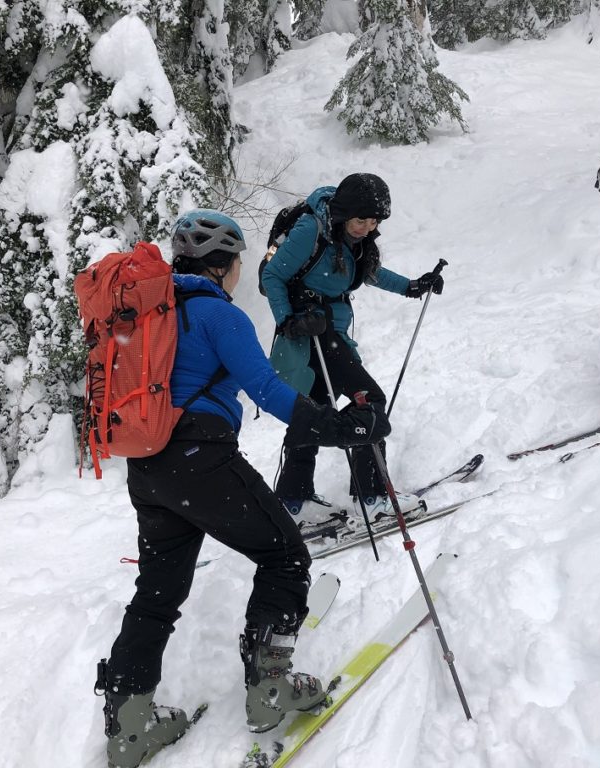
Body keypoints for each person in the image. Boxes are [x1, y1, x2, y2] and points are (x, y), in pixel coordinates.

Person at [95, 210, 391, 768]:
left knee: (157, 595)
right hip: (200, 457)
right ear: (227, 266)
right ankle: (270, 688)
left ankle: (129, 726)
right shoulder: (216, 314)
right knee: (284, 557)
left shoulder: (147, 314)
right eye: (238, 263)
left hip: (148, 469)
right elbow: (265, 388)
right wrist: (339, 426)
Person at [261, 173, 445, 532]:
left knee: (311, 415)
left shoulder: (352, 239)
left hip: (328, 333)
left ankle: (293, 502)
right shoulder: (311, 230)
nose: (366, 227)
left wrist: (411, 286)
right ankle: (372, 499)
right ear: (344, 212)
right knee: (369, 401)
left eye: (374, 221)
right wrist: (289, 322)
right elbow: (272, 276)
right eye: (361, 219)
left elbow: (369, 272)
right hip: (311, 336)